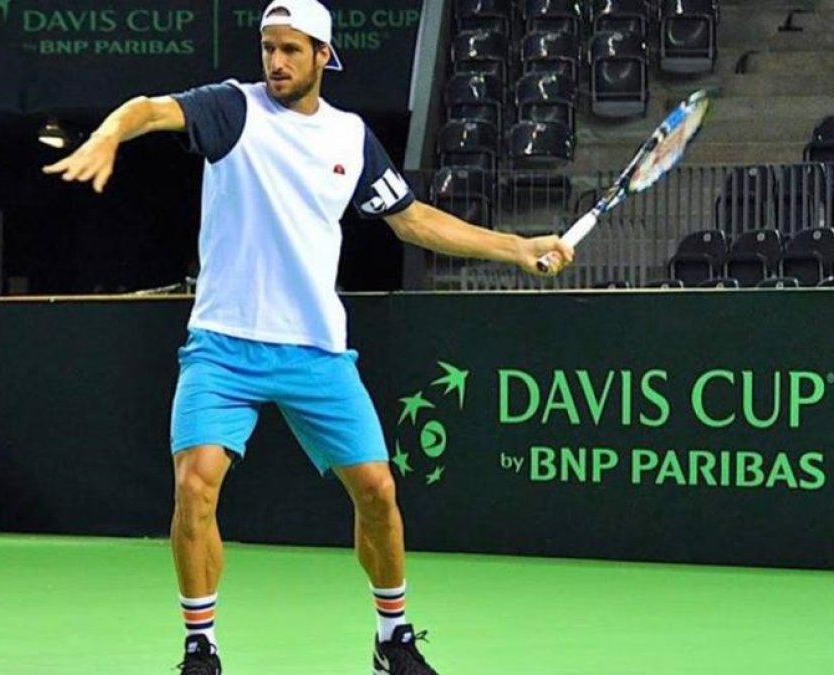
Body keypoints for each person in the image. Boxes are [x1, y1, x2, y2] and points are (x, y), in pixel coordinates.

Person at [44, 1, 575, 672]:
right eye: (268, 47)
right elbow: (149, 108)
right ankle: (200, 644)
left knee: (379, 490)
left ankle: (392, 636)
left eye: (292, 49)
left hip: (316, 350)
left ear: (324, 54)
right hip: (223, 343)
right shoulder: (231, 109)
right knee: (195, 484)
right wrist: (108, 135)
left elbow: (411, 220)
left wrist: (517, 246)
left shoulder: (350, 138)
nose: (276, 62)